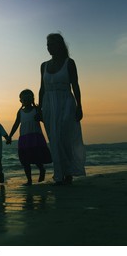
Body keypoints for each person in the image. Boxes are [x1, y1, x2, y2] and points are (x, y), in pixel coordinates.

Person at [38, 33, 86, 185]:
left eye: (51, 45)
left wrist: (79, 106)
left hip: (66, 102)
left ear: (59, 45)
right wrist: (40, 109)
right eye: (47, 45)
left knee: (65, 137)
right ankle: (60, 173)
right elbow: (41, 88)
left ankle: (69, 171)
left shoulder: (69, 63)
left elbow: (75, 86)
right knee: (54, 139)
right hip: (48, 104)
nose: (49, 48)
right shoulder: (44, 65)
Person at [8, 89, 52, 186]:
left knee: (37, 158)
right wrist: (10, 136)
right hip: (24, 138)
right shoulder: (20, 112)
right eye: (24, 98)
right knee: (25, 160)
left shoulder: (36, 110)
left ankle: (42, 170)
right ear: (21, 100)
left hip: (36, 137)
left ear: (32, 99)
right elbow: (16, 124)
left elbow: (45, 120)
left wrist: (40, 118)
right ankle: (29, 180)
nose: (26, 100)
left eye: (29, 98)